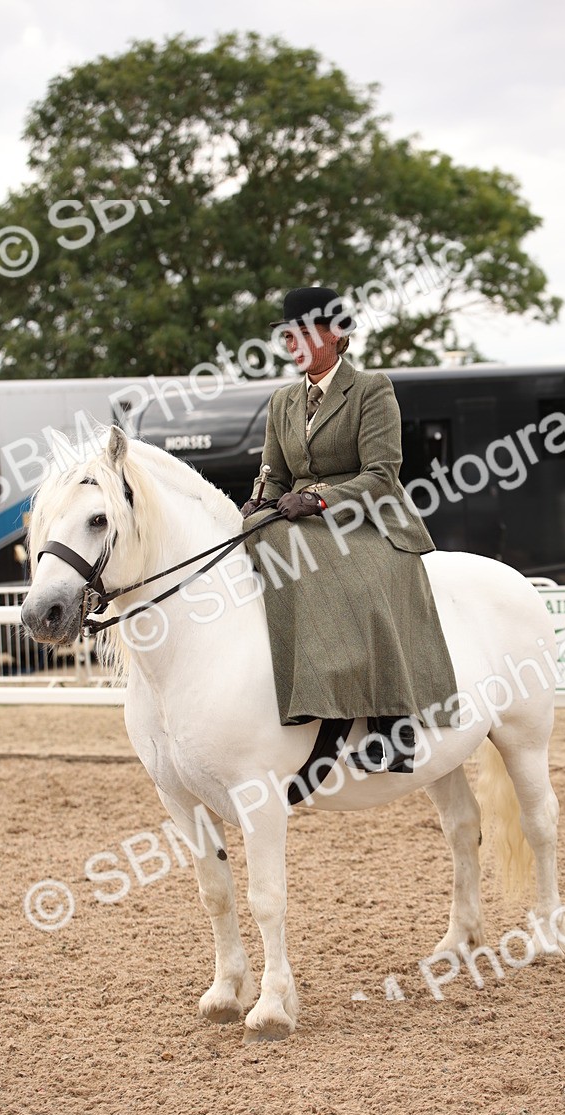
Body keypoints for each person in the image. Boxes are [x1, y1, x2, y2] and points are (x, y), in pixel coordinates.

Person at [241, 286, 458, 773]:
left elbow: (382, 475)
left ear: (336, 335)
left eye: (302, 333)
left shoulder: (371, 389)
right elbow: (273, 473)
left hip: (369, 520)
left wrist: (318, 499)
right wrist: (258, 501)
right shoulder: (282, 402)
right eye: (286, 336)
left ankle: (393, 728)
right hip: (296, 515)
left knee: (360, 580)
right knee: (257, 532)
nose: (292, 344)